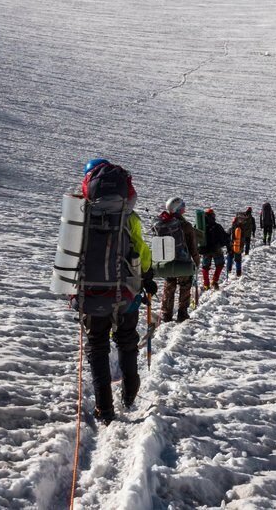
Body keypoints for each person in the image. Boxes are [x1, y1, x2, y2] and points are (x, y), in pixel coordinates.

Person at [77, 158, 155, 426]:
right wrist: (147, 276)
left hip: (91, 292)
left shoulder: (79, 215)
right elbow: (141, 252)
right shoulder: (129, 218)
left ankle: (104, 409)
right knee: (127, 341)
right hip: (127, 293)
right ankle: (130, 395)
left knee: (97, 347)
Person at [151, 197, 200, 323]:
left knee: (169, 286)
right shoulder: (186, 225)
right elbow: (192, 246)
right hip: (183, 262)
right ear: (179, 209)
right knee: (185, 286)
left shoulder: (162, 224)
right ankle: (182, 314)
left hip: (167, 261)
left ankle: (166, 314)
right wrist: (196, 261)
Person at [201, 208, 230, 290]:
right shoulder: (217, 226)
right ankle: (214, 280)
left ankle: (206, 284)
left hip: (205, 250)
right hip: (216, 249)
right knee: (220, 265)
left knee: (205, 267)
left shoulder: (201, 227)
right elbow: (225, 238)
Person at [227, 210, 248, 278]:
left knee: (230, 257)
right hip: (239, 246)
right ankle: (238, 273)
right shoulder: (242, 228)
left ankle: (228, 270)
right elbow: (244, 238)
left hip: (231, 245)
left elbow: (227, 235)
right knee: (238, 260)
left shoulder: (232, 227)